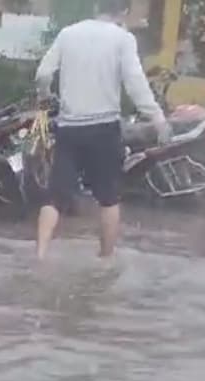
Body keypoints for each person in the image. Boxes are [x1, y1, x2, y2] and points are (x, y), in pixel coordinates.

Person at [34, 0, 170, 260]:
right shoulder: (123, 39)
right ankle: (105, 261)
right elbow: (135, 83)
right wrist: (158, 118)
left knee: (55, 196)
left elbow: (42, 73)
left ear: (96, 6)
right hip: (103, 128)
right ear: (124, 12)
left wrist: (45, 95)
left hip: (69, 127)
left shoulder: (68, 33)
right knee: (108, 197)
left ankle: (40, 257)